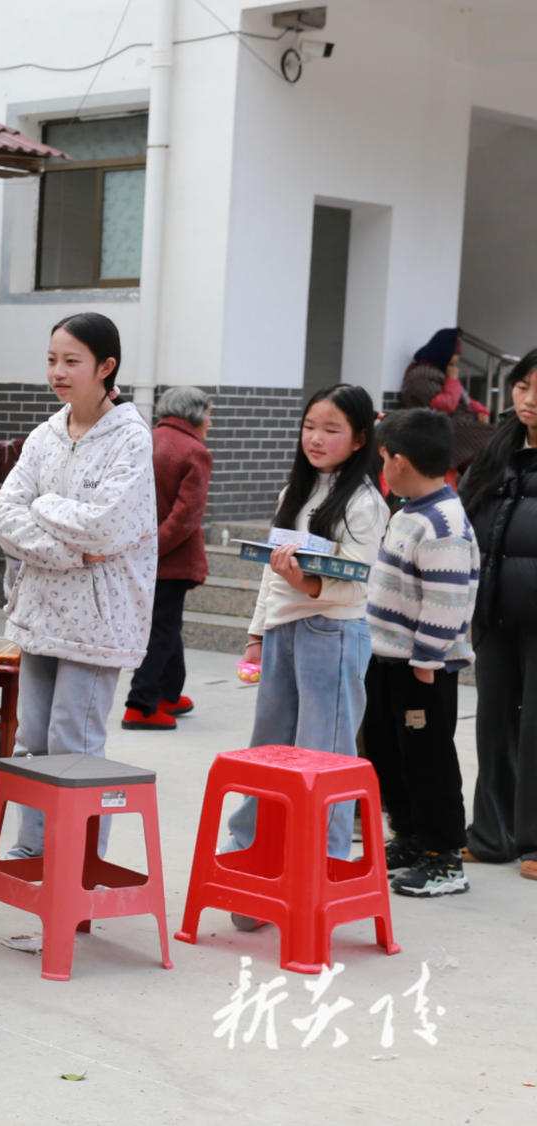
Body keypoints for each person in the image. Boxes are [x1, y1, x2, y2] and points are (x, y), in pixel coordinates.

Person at [0, 313, 156, 860]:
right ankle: (31, 850)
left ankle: (77, 862)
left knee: (75, 742)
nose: (57, 372)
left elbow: (105, 526)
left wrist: (43, 510)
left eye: (71, 361)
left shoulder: (132, 439)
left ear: (106, 367)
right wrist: (70, 547)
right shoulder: (44, 435)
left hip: (97, 620)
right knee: (31, 740)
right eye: (51, 359)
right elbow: (5, 516)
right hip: (40, 614)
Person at [227, 383, 387, 917]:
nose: (315, 438)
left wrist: (311, 586)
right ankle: (251, 870)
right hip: (282, 634)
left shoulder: (365, 502)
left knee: (326, 763)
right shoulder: (296, 489)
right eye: (309, 426)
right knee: (267, 755)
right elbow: (273, 577)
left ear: (359, 437)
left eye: (331, 429)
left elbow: (357, 583)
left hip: (333, 635)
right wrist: (257, 632)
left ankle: (320, 886)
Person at [365, 409, 478, 898]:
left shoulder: (442, 522)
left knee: (427, 759)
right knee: (390, 752)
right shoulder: (409, 510)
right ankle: (409, 837)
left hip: (422, 667)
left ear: (401, 461)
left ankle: (445, 855)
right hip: (390, 658)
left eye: (383, 458)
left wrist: (428, 660)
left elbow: (447, 599)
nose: (381, 467)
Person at [457, 348, 537, 882]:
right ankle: (491, 834)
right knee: (493, 724)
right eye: (523, 386)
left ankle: (533, 840)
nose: (529, 400)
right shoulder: (497, 449)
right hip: (493, 611)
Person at [123, 385, 213, 730]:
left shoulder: (146, 440)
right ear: (194, 413)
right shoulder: (195, 451)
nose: (210, 421)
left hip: (140, 554)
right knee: (162, 631)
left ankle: (168, 694)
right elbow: (187, 516)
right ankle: (141, 705)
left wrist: (141, 548)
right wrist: (155, 548)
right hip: (170, 560)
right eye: (208, 413)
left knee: (165, 626)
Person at [402, 328, 492, 477]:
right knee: (494, 439)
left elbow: (464, 399)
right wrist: (452, 380)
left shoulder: (442, 372)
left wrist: (481, 411)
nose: (456, 359)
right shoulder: (420, 374)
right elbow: (445, 405)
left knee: (495, 440)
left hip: (456, 425)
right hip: (436, 428)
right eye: (454, 354)